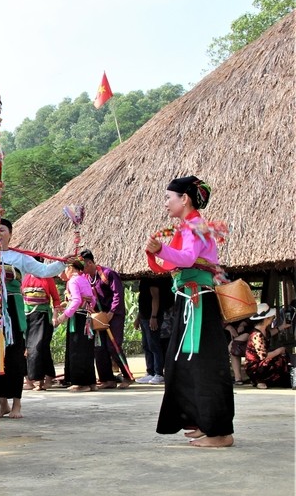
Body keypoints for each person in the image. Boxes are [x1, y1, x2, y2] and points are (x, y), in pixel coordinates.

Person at [146, 175, 234, 447]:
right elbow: (178, 262)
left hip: (199, 301)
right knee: (181, 363)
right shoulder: (187, 227)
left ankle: (220, 433)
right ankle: (199, 421)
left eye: (168, 198)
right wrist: (160, 252)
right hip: (188, 300)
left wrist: (161, 248)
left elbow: (185, 259)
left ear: (184, 198)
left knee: (205, 364)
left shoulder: (195, 225)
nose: (165, 204)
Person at [0, 218, 65, 417]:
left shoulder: (19, 258)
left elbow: (44, 271)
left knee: (15, 356)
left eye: (2, 230)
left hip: (14, 311)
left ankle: (16, 404)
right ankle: (2, 404)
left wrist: (62, 262)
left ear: (10, 234)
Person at [79, 249, 131, 389]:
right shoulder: (86, 278)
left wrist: (111, 313)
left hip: (114, 315)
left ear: (89, 263)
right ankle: (107, 379)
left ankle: (127, 376)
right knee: (99, 347)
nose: (80, 269)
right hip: (97, 315)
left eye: (82, 265)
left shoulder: (108, 274)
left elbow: (117, 294)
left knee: (113, 345)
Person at [53, 258, 97, 392]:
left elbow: (77, 299)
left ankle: (80, 383)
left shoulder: (73, 280)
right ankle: (91, 382)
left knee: (76, 349)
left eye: (65, 268)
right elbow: (92, 299)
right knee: (87, 350)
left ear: (71, 268)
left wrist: (63, 316)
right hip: (86, 317)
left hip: (77, 318)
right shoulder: (84, 279)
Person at [21, 259, 62, 391]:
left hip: (42, 317)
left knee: (38, 347)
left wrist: (55, 316)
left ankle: (40, 381)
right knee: (26, 348)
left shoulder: (47, 278)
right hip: (27, 317)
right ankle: (31, 380)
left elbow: (56, 299)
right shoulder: (25, 277)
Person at [135, 276, 173, 384]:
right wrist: (138, 318)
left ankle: (158, 373)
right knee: (146, 345)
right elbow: (142, 301)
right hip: (144, 317)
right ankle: (150, 371)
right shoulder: (143, 280)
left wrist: (154, 316)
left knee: (154, 345)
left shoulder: (152, 279)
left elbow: (155, 297)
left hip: (151, 317)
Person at [245, 303, 292, 389]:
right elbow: (264, 356)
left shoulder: (263, 330)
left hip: (260, 364)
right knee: (277, 359)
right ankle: (260, 380)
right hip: (255, 367)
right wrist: (279, 350)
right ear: (266, 319)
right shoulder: (256, 335)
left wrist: (282, 327)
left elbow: (270, 333)